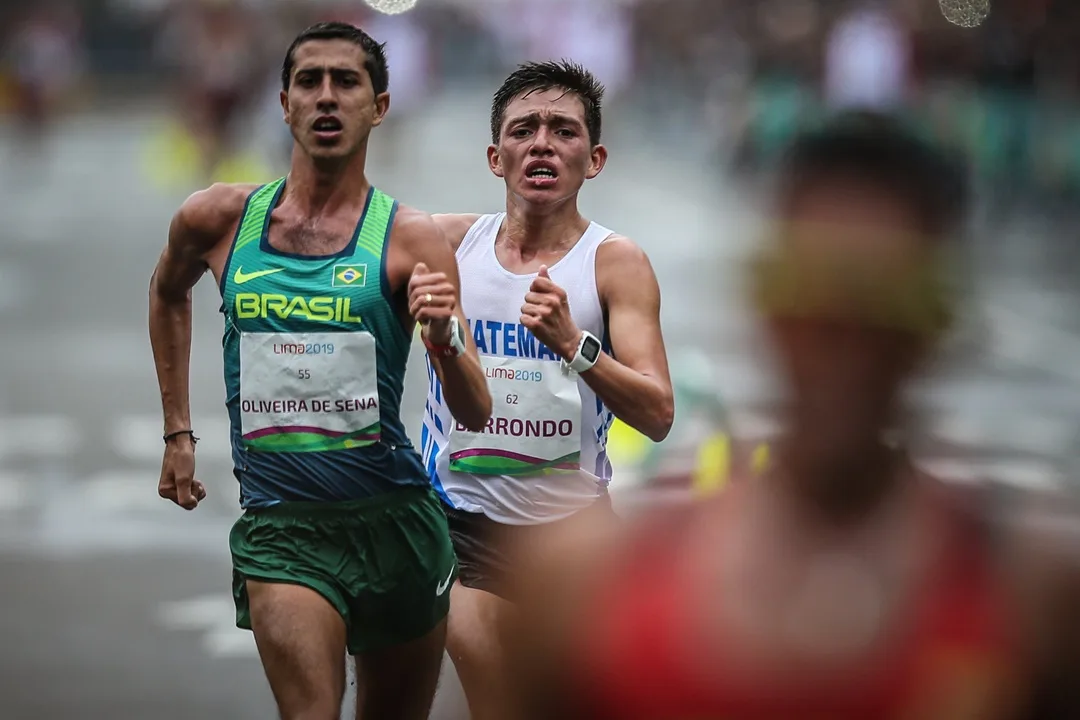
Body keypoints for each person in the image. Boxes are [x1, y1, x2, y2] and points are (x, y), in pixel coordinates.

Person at [502, 111, 1080, 719]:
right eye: (810, 288)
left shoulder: (1036, 598)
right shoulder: (586, 582)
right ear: (762, 304)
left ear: (941, 323)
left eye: (888, 300)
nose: (845, 335)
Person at [148, 21, 492, 720]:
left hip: (395, 522)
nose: (327, 98)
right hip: (283, 527)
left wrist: (443, 336)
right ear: (284, 103)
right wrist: (177, 432)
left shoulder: (409, 236)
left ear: (380, 106)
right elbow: (167, 292)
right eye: (310, 82)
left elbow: (476, 409)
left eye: (347, 82)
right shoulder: (220, 218)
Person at [419, 60, 675, 719]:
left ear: (593, 159)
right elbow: (335, 238)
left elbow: (657, 412)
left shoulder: (614, 264)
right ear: (494, 156)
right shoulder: (445, 244)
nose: (541, 143)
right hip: (457, 523)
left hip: (570, 535)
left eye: (562, 131)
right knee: (492, 682)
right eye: (523, 129)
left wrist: (576, 346)